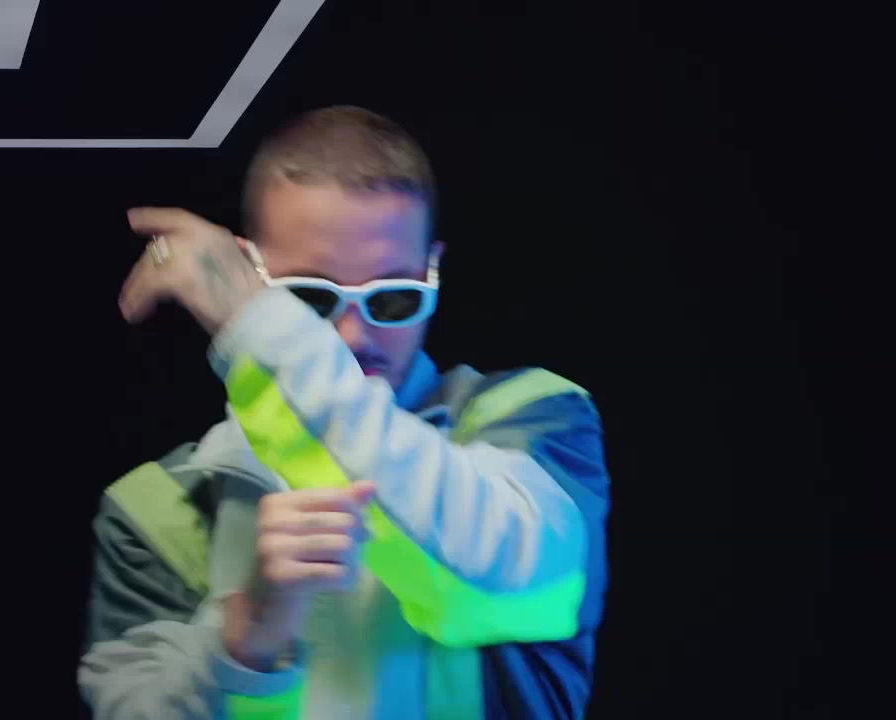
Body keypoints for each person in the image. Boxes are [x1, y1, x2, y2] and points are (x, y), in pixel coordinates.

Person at [78, 106, 611, 719]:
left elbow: (507, 583)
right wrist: (248, 631)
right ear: (248, 273)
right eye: (310, 297)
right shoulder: (160, 505)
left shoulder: (533, 417)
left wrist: (262, 329)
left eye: (393, 298)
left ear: (433, 269)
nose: (355, 336)